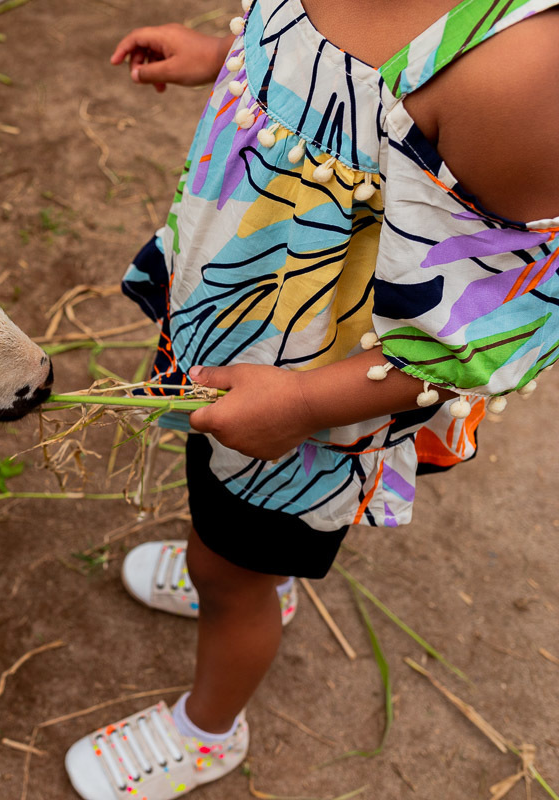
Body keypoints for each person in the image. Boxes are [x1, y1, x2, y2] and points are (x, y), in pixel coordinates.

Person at [63, 2, 559, 798]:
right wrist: (228, 56)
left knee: (231, 568)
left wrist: (298, 405)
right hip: (237, 330)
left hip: (313, 404)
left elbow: (480, 338)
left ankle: (206, 731)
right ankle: (247, 572)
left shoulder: (519, 70)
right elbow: (318, 74)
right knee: (228, 523)